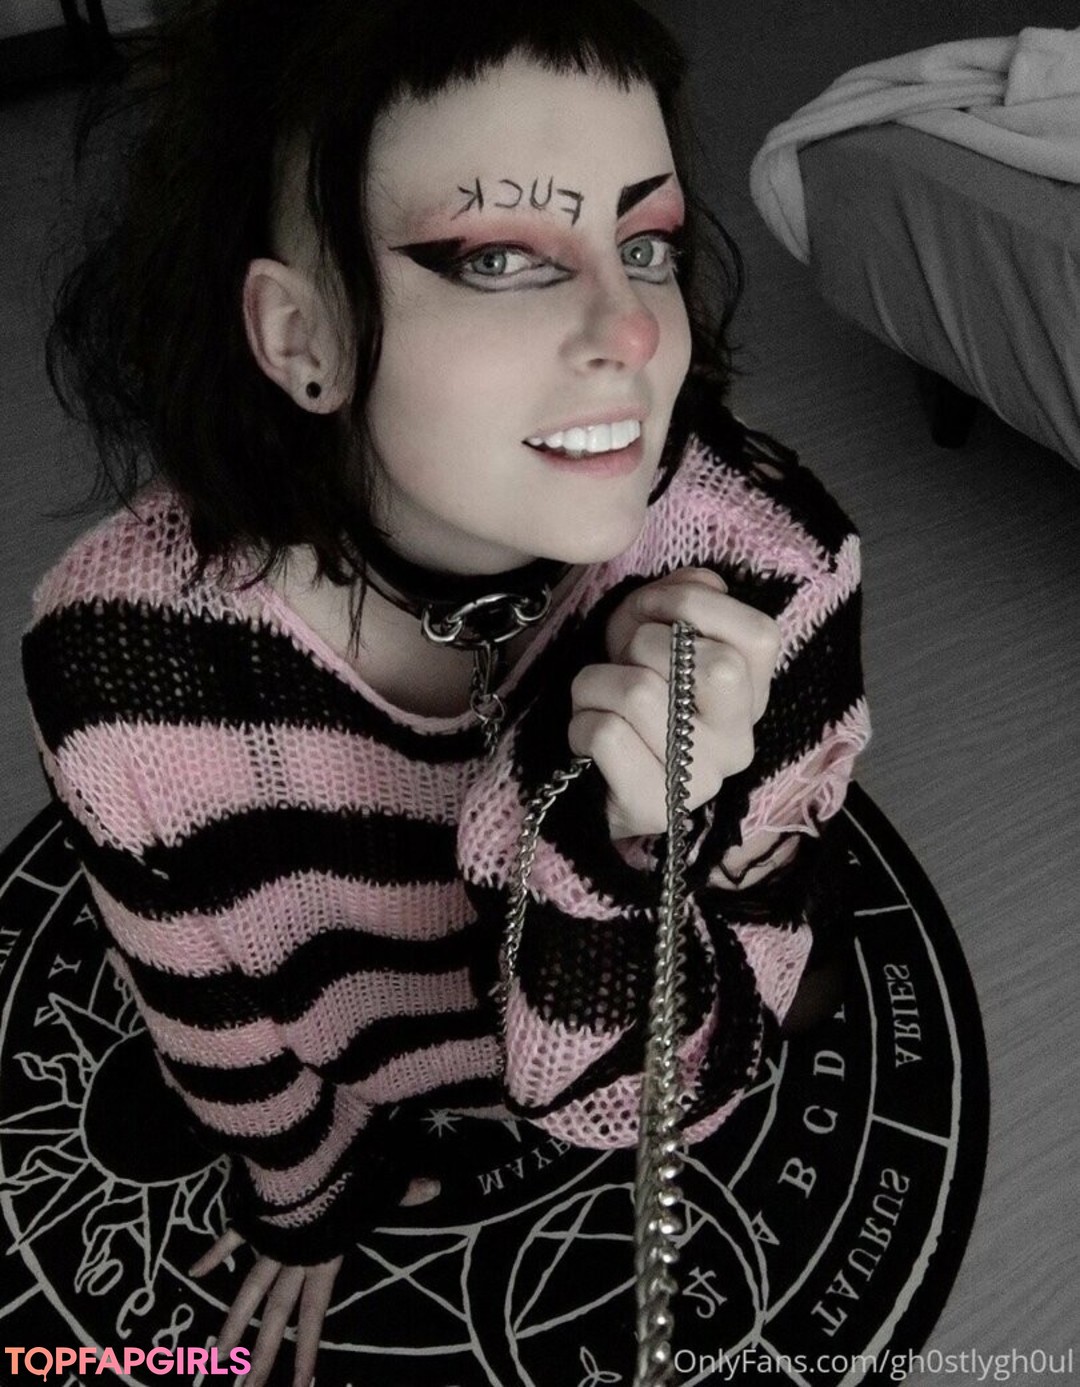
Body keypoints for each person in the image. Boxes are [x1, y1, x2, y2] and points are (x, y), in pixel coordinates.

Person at [23, 1, 870, 1383]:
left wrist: (618, 829)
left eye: (646, 243)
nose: (633, 330)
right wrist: (305, 1193)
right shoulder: (120, 663)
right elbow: (205, 1010)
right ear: (302, 335)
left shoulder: (771, 568)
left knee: (789, 965)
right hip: (371, 1075)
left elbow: (643, 1109)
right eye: (499, 258)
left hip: (608, 1046)